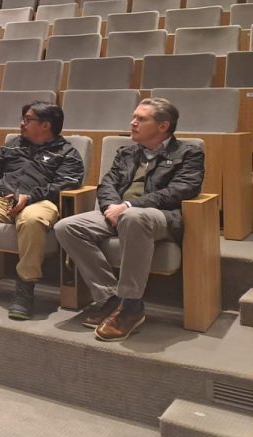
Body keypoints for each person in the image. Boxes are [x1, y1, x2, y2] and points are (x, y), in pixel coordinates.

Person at [54, 98, 204, 342]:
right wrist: (111, 208)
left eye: (141, 119)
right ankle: (112, 298)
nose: (133, 122)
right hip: (118, 213)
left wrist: (128, 206)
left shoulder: (188, 153)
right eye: (134, 117)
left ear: (163, 126)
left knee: (133, 217)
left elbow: (182, 189)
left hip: (159, 216)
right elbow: (107, 184)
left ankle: (131, 306)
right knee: (66, 227)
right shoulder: (127, 152)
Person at [0, 102, 85, 320]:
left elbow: (66, 184)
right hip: (4, 200)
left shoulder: (67, 153)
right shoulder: (13, 145)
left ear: (46, 125)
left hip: (41, 202)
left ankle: (25, 288)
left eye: (28, 120)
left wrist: (30, 197)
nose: (22, 123)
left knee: (31, 220)